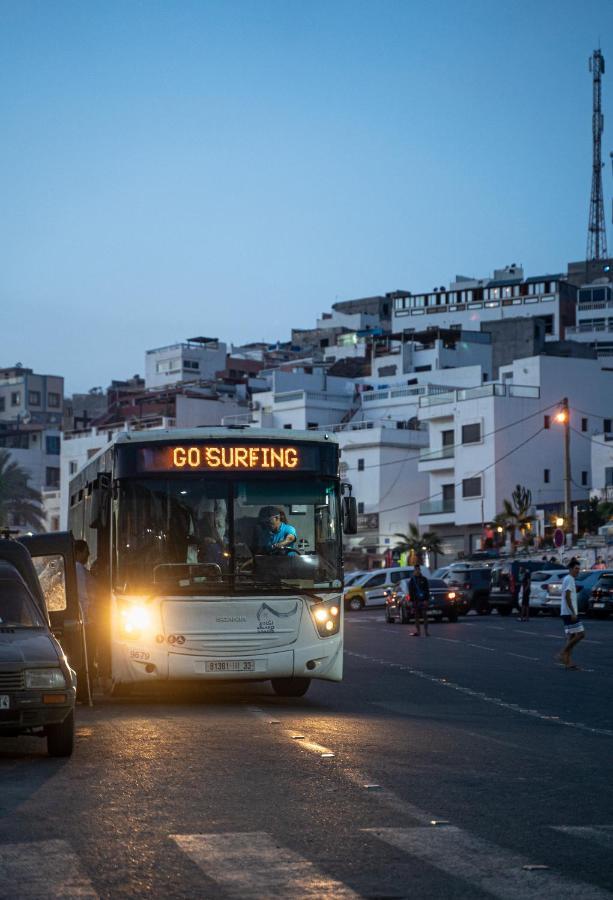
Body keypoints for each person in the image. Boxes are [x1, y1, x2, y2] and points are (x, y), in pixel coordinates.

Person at [75, 539, 97, 691]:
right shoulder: (77, 569)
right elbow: (83, 595)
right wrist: (87, 617)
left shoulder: (80, 569)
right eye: (85, 551)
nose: (88, 554)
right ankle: (84, 689)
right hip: (85, 620)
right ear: (78, 552)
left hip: (86, 618)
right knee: (86, 656)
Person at [557, 557, 585, 670]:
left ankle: (568, 662)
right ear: (570, 569)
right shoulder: (569, 579)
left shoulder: (569, 579)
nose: (578, 570)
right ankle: (562, 653)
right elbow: (567, 596)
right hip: (569, 612)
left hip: (567, 612)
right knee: (581, 634)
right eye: (576, 568)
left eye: (579, 568)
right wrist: (573, 612)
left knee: (572, 636)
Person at [408, 563, 430, 636]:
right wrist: (411, 601)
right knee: (416, 617)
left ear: (420, 570)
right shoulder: (412, 580)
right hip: (415, 600)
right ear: (414, 571)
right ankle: (418, 631)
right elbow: (410, 591)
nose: (417, 571)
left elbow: (427, 590)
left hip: (423, 600)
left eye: (418, 570)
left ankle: (426, 631)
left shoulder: (424, 579)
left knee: (425, 615)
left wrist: (426, 600)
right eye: (416, 570)